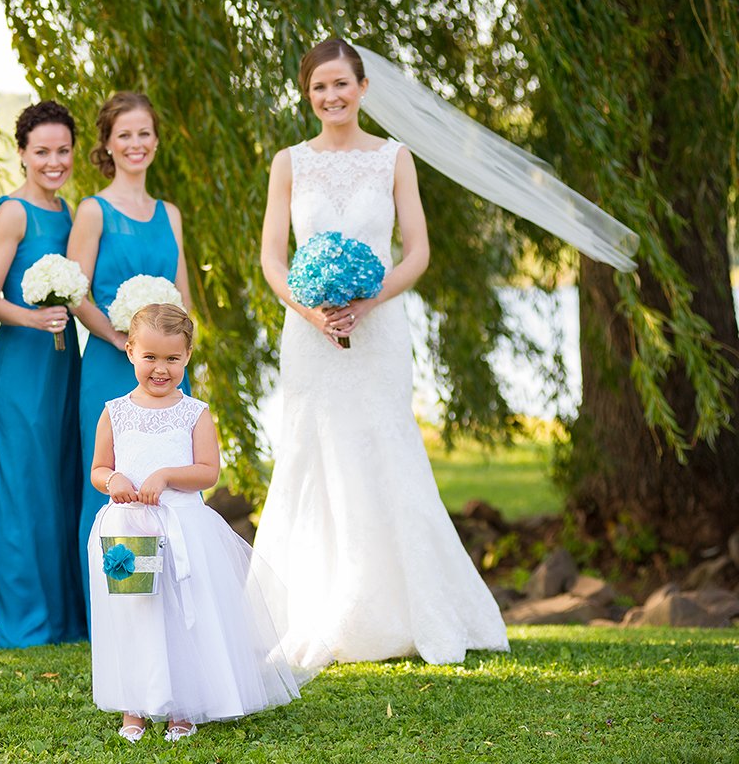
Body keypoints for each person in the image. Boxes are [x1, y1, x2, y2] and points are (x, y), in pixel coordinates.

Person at [253, 38, 509, 668]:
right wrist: (310, 309)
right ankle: (309, 608)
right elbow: (271, 257)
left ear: (363, 88)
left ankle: (407, 611)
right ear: (307, 95)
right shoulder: (290, 162)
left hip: (381, 330)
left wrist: (369, 302)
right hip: (308, 333)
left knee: (385, 449)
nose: (331, 97)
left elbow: (416, 251)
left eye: (341, 84)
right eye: (319, 87)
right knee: (313, 454)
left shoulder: (394, 158)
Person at [86, 304, 304, 743]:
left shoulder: (195, 412)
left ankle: (183, 705)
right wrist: (114, 479)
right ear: (130, 351)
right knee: (134, 614)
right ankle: (136, 704)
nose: (160, 369)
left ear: (187, 356)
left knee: (183, 618)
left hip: (183, 527)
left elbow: (207, 471)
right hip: (129, 530)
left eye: (172, 358)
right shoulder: (114, 411)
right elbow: (98, 469)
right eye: (150, 357)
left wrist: (166, 475)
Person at [68, 92, 192, 615]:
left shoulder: (171, 213)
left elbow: (183, 293)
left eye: (144, 134)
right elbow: (76, 291)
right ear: (108, 145)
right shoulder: (93, 211)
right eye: (125, 135)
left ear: (156, 142)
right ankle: (112, 609)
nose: (135, 144)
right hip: (108, 362)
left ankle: (160, 604)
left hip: (167, 370)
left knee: (167, 480)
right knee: (111, 482)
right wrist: (123, 341)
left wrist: (176, 354)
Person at [0, 101, 85, 647]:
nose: (53, 161)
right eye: (41, 151)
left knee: (56, 486)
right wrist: (35, 317)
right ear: (21, 154)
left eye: (62, 150)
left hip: (65, 364)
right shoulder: (14, 212)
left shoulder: (70, 212)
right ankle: (24, 621)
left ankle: (63, 615)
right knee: (19, 491)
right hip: (20, 365)